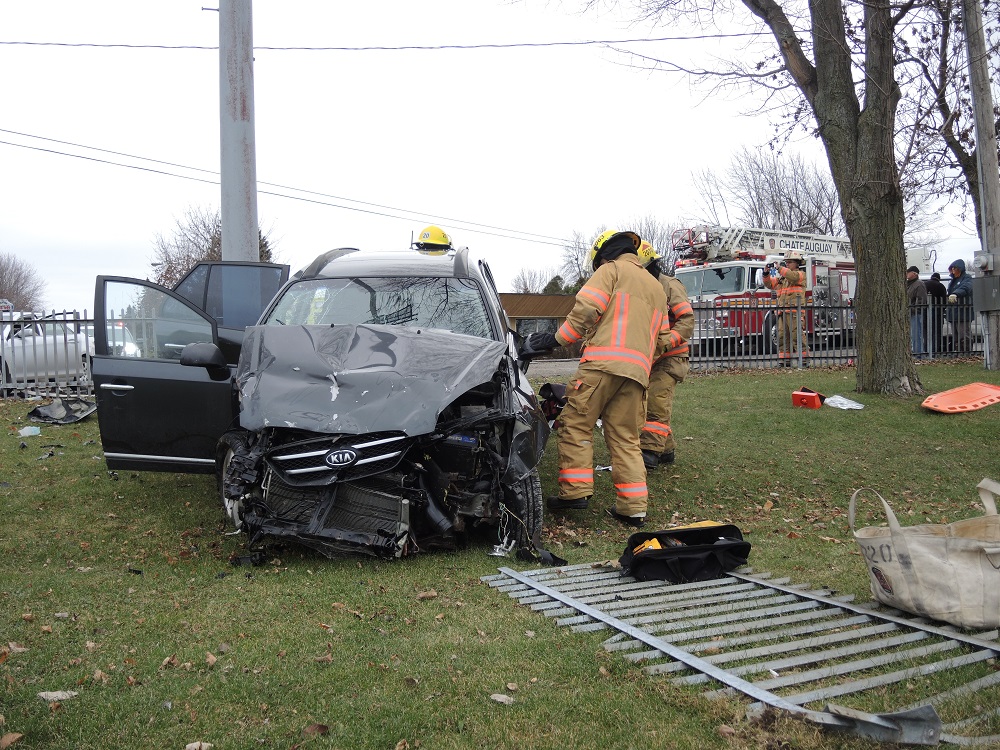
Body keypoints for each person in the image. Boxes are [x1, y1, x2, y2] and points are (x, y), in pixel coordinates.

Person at [527, 230, 671, 527]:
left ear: (604, 256)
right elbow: (664, 339)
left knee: (574, 423)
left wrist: (556, 339)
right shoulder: (656, 287)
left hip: (601, 367)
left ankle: (575, 492)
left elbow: (586, 309)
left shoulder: (611, 271)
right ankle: (633, 509)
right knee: (626, 439)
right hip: (636, 375)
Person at [637, 242, 694, 471]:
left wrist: (666, 342)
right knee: (646, 401)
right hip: (650, 357)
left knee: (656, 402)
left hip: (671, 357)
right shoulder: (642, 288)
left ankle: (649, 452)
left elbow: (686, 321)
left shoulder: (670, 286)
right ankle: (666, 451)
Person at [763, 250, 809, 366]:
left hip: (795, 312)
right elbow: (770, 284)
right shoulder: (783, 279)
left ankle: (804, 361)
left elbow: (792, 276)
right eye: (786, 262)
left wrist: (779, 268)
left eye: (789, 262)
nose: (787, 264)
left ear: (797, 263)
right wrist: (766, 274)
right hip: (782, 312)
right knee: (782, 336)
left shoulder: (800, 275)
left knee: (797, 335)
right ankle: (784, 361)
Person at [946, 259, 974, 352]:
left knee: (964, 335)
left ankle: (966, 353)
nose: (953, 270)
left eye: (955, 268)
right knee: (956, 336)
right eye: (952, 268)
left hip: (963, 312)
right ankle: (958, 353)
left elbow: (966, 287)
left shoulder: (967, 278)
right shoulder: (953, 281)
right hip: (953, 313)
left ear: (960, 269)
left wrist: (956, 294)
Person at [906, 266, 927, 358]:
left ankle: (919, 354)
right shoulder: (908, 284)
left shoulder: (919, 284)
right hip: (909, 313)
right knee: (911, 335)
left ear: (914, 273)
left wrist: (913, 309)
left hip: (915, 314)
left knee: (916, 335)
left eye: (908, 272)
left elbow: (922, 300)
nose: (906, 273)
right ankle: (914, 353)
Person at [925, 271, 947, 355]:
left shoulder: (925, 284)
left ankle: (926, 349)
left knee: (926, 331)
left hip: (925, 311)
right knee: (936, 332)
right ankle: (934, 350)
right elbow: (944, 301)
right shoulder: (940, 286)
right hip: (937, 311)